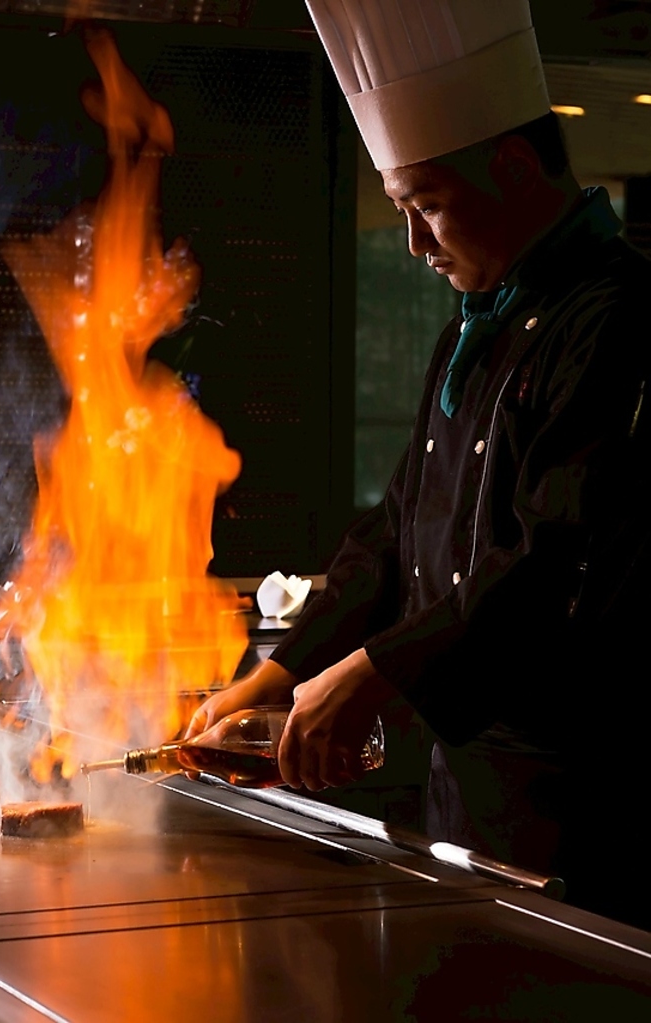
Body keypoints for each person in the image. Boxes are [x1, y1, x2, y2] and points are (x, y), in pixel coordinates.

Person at [187, 0, 651, 929]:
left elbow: (550, 557)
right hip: (463, 793)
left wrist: (373, 674)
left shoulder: (617, 317)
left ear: (514, 168)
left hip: (584, 805)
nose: (414, 244)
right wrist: (278, 674)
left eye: (427, 206)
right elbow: (392, 535)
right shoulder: (466, 329)